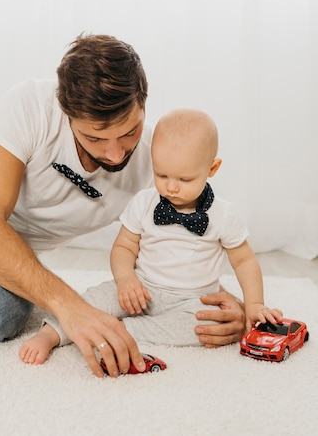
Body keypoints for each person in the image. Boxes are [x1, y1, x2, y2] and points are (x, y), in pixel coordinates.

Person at [0, 35, 245, 378]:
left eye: (129, 132)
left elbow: (194, 238)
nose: (116, 154)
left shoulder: (158, 166)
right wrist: (71, 308)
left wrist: (228, 302)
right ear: (66, 111)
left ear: (143, 103)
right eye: (95, 137)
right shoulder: (30, 103)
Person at [19, 107, 282, 366]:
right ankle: (49, 334)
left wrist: (254, 304)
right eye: (161, 174)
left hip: (193, 299)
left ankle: (125, 330)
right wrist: (125, 279)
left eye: (184, 178)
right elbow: (123, 247)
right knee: (93, 300)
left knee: (208, 326)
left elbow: (244, 261)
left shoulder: (223, 214)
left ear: (212, 168)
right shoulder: (144, 202)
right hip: (141, 287)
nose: (170, 186)